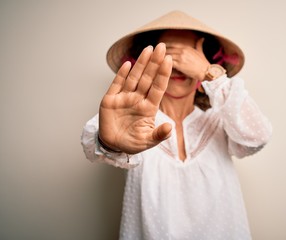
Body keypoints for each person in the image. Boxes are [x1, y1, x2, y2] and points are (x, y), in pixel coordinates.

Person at [81, 10, 272, 240]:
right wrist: (108, 143)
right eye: (168, 55)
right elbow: (97, 145)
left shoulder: (220, 119)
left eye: (188, 56)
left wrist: (207, 73)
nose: (178, 66)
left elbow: (258, 136)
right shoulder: (135, 123)